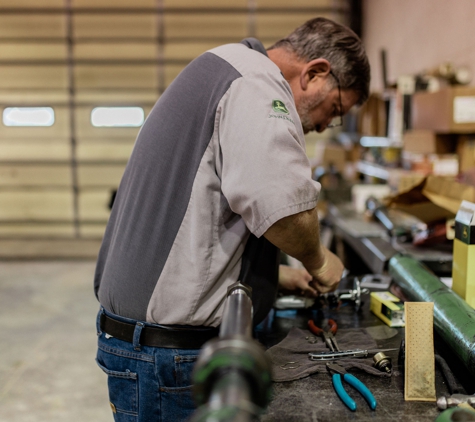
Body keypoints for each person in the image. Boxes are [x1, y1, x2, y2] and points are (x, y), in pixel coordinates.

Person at [94, 16, 370, 421]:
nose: (328, 124)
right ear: (315, 73)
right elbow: (281, 210)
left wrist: (276, 277)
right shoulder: (256, 84)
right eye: (336, 108)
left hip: (152, 347)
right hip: (168, 357)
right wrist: (320, 261)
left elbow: (204, 218)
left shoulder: (226, 68)